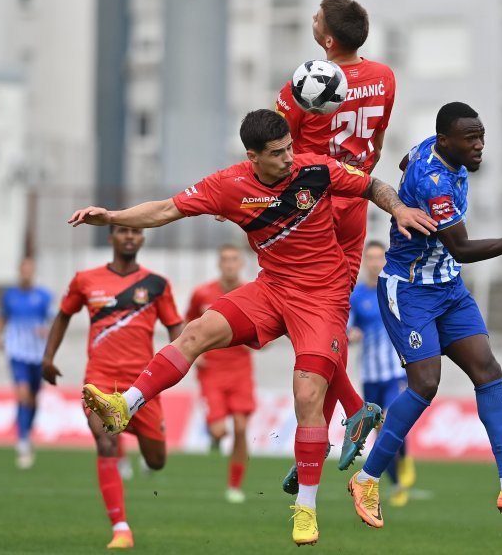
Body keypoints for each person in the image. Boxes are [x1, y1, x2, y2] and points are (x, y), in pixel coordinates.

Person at [70, 109, 437, 546]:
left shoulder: (314, 169)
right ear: (253, 156)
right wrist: (111, 217)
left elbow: (372, 185)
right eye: (278, 153)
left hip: (322, 297)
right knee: (196, 332)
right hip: (270, 288)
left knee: (306, 394)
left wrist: (398, 208)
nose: (289, 158)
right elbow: (167, 208)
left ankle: (306, 508)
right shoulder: (229, 185)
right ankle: (125, 405)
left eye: (289, 148)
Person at [347, 102, 502, 528]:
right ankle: (368, 478)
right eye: (471, 139)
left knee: (487, 369)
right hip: (408, 290)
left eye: (481, 136)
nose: (480, 146)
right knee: (426, 384)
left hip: (448, 288)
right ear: (447, 141)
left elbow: (405, 157)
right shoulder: (435, 183)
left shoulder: (430, 149)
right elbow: (464, 249)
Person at [275, 0, 397, 490]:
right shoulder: (386, 77)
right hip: (357, 202)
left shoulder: (300, 87)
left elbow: (277, 155)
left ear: (326, 38)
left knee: (304, 317)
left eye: (317, 18)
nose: (311, 19)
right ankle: (324, 433)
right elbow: (380, 138)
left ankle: (341, 417)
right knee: (332, 321)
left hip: (317, 211)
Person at [41, 225, 183, 549]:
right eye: (122, 231)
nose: (129, 236)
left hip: (142, 386)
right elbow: (63, 315)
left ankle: (127, 423)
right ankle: (121, 528)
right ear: (111, 238)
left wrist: (182, 361)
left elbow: (176, 326)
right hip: (100, 380)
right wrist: (47, 357)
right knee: (105, 444)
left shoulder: (157, 284)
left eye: (135, 232)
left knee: (157, 460)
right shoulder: (85, 280)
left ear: (143, 239)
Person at [185, 244, 255, 504]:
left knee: (240, 428)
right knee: (218, 431)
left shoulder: (251, 292)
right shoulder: (201, 293)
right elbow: (187, 322)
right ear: (219, 264)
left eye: (234, 260)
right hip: (212, 369)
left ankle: (234, 485)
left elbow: (265, 323)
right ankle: (214, 437)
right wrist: (195, 352)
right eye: (225, 260)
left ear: (241, 264)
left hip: (240, 368)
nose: (229, 264)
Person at [348, 240, 415, 507]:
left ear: (384, 261)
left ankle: (406, 455)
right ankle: (397, 483)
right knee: (379, 433)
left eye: (379, 258)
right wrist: (350, 334)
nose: (375, 263)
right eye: (371, 258)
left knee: (391, 421)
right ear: (365, 261)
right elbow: (347, 325)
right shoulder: (357, 297)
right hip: (369, 375)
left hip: (394, 373)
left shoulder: (395, 291)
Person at [0, 257, 52, 469]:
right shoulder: (10, 296)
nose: (26, 273)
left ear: (33, 272)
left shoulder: (43, 296)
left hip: (37, 354)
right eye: (23, 270)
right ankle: (22, 440)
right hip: (17, 352)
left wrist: (46, 332)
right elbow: (2, 317)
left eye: (29, 269)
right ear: (19, 272)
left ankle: (27, 430)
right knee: (22, 393)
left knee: (33, 399)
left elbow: (52, 321)